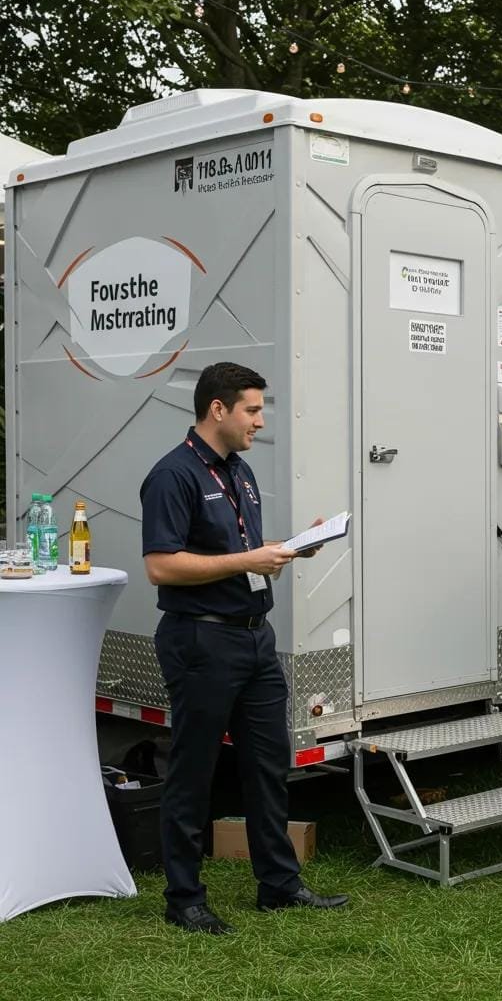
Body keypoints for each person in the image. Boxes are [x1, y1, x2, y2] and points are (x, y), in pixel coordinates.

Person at [141, 362, 348, 935]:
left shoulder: (242, 473)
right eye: (252, 409)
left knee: (267, 765)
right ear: (218, 409)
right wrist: (248, 561)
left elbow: (240, 554)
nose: (260, 420)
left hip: (256, 639)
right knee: (195, 770)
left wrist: (288, 550)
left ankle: (278, 886)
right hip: (201, 640)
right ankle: (184, 898)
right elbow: (161, 566)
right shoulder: (173, 475)